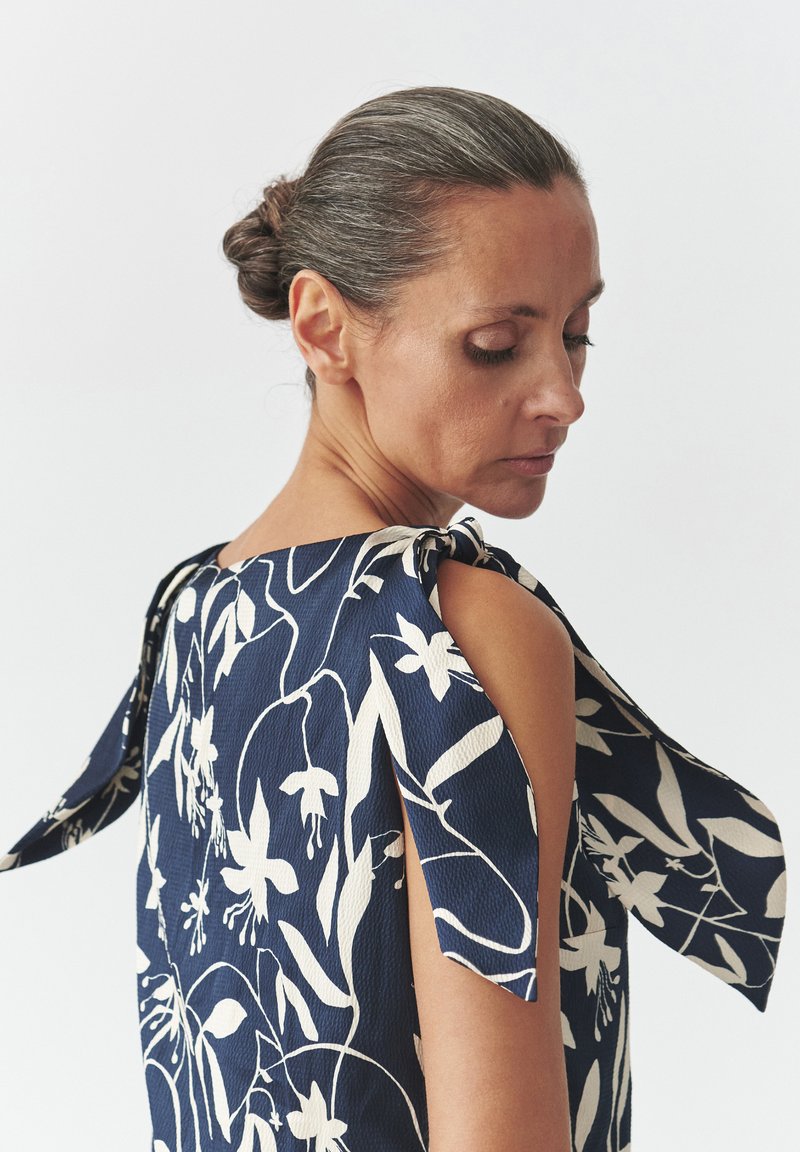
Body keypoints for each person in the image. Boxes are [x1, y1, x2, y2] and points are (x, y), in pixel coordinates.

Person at [1, 85, 787, 1152]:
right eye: (496, 344)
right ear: (324, 328)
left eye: (576, 335)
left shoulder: (194, 615)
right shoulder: (456, 627)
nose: (563, 394)